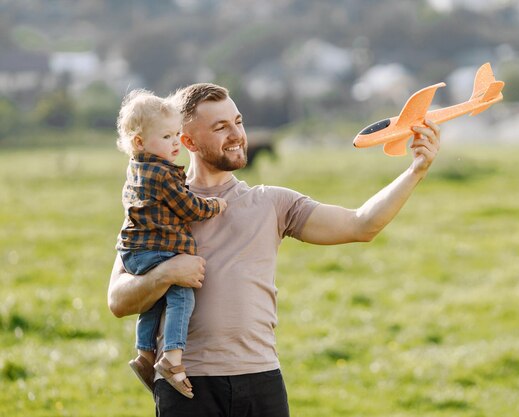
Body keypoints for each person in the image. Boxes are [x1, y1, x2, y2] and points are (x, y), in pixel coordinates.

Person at [108, 83, 441, 416]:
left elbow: (360, 224)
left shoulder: (273, 202)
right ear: (187, 141)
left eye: (238, 122)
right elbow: (118, 300)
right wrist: (165, 274)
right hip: (187, 385)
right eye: (221, 127)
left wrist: (416, 171)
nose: (237, 134)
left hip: (261, 380)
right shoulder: (154, 206)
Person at [115, 89, 227, 399]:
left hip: (133, 252)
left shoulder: (135, 168)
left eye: (177, 134)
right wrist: (215, 206)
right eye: (166, 137)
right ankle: (172, 360)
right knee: (182, 296)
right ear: (139, 142)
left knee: (153, 301)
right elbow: (189, 207)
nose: (175, 142)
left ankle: (144, 354)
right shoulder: (163, 174)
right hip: (156, 249)